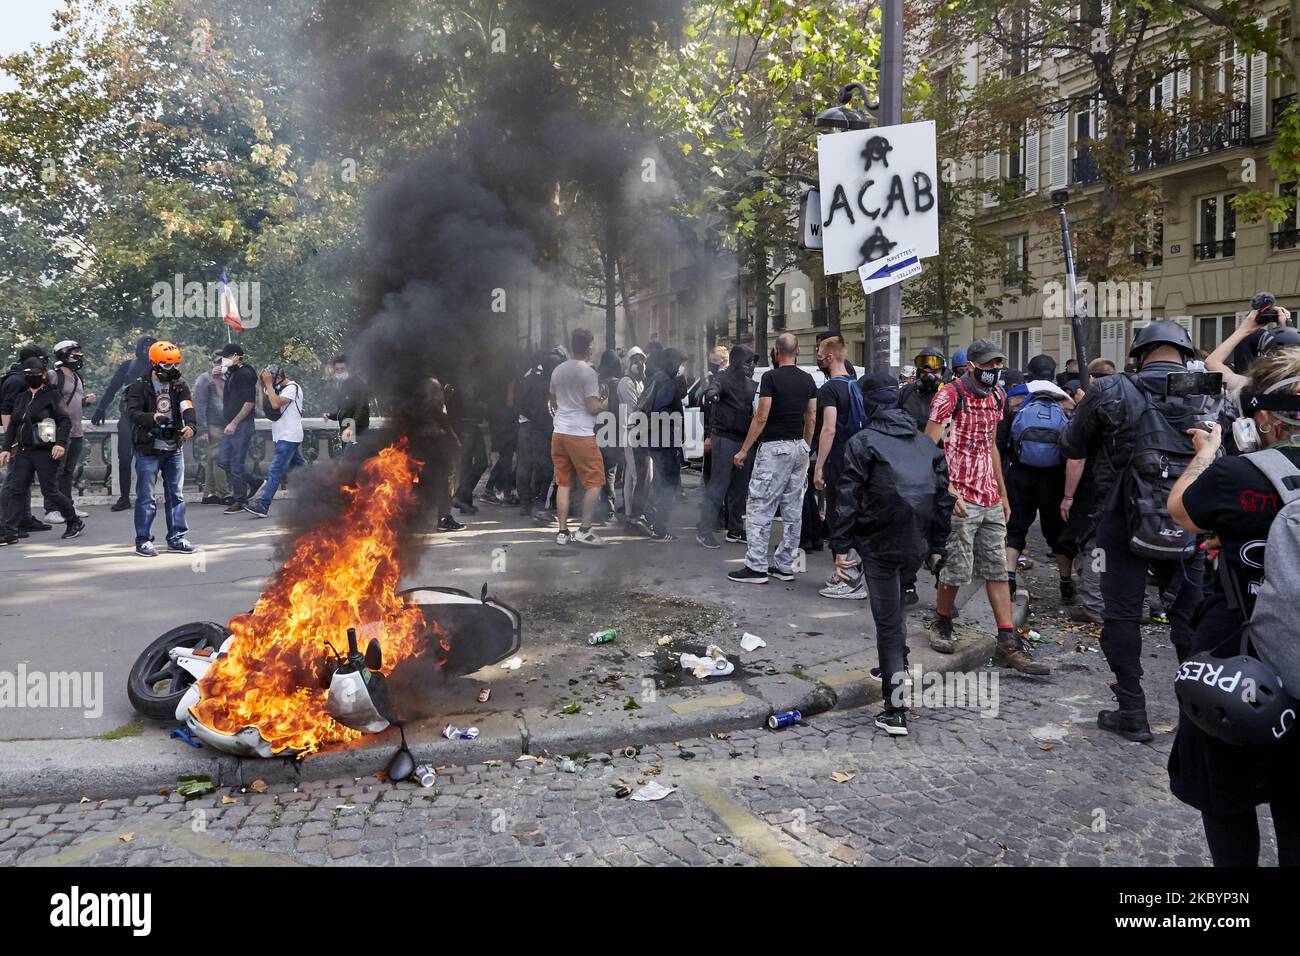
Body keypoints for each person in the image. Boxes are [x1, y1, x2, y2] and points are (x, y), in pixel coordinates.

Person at [1167, 347, 1300, 866]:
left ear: (1264, 417)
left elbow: (1181, 510)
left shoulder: (1237, 476)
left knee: (1226, 796)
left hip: (1236, 656)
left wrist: (1207, 450)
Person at [1061, 320, 1211, 742]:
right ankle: (1199, 713)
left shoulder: (1110, 389)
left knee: (1121, 615)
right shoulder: (1207, 389)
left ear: (1139, 354)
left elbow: (1071, 446)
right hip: (1190, 519)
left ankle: (1133, 711)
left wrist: (1085, 407)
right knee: (1189, 616)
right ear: (1185, 353)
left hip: (1121, 520)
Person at [830, 373, 954, 735]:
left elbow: (847, 498)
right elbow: (943, 497)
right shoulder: (924, 443)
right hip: (914, 542)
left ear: (866, 403)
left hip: (880, 542)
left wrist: (840, 547)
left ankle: (895, 708)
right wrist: (936, 547)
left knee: (887, 622)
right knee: (895, 609)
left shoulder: (862, 441)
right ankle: (894, 663)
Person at [925, 338, 1049, 675]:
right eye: (989, 365)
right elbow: (927, 449)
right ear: (970, 367)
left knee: (997, 567)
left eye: (998, 365)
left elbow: (991, 445)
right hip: (960, 496)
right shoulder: (949, 395)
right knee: (957, 567)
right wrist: (949, 491)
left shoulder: (997, 396)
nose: (995, 370)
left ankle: (1007, 641)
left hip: (989, 495)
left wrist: (1003, 494)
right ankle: (942, 621)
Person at [728, 332, 817, 584]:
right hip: (798, 447)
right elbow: (811, 417)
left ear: (776, 352)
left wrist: (744, 449)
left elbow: (762, 416)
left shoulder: (770, 378)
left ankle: (756, 567)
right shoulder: (808, 380)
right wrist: (805, 446)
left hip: (773, 449)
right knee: (792, 510)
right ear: (797, 351)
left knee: (760, 506)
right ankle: (784, 566)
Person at [1003, 363, 1074, 604]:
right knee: (1056, 532)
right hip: (1053, 477)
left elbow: (1007, 439)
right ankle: (1065, 583)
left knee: (1016, 527)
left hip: (1021, 474)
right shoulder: (1063, 403)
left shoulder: (1021, 399)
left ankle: (1009, 579)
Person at [0, 357, 84, 543]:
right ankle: (10, 531)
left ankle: (74, 521)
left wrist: (60, 443)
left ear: (44, 375)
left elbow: (65, 420)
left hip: (46, 450)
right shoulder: (22, 397)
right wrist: (6, 447)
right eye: (27, 375)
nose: (30, 378)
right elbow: (14, 424)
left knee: (50, 491)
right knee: (16, 489)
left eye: (34, 375)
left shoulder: (53, 395)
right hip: (23, 450)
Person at [123, 341, 196, 556]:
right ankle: (143, 540)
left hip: (174, 447)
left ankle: (177, 538)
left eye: (174, 365)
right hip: (148, 448)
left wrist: (191, 426)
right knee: (146, 497)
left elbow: (187, 407)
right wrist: (152, 417)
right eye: (166, 366)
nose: (171, 370)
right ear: (154, 364)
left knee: (177, 495)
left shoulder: (179, 385)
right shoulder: (138, 386)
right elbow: (132, 414)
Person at [815, 337, 869, 598]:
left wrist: (819, 467)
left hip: (838, 459)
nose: (818, 358)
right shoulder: (855, 385)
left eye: (819, 354)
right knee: (853, 514)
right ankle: (850, 572)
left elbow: (828, 429)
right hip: (858, 458)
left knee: (839, 516)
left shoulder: (829, 390)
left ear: (830, 357)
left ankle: (849, 581)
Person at [548, 329, 607, 546]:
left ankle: (562, 532)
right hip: (581, 434)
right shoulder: (588, 373)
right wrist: (604, 405)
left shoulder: (558, 370)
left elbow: (552, 399)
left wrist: (565, 410)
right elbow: (592, 407)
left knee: (563, 482)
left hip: (560, 432)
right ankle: (584, 529)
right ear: (589, 346)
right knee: (595, 482)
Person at [696, 345, 756, 548]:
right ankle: (704, 531)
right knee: (718, 486)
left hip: (743, 440)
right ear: (739, 361)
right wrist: (712, 395)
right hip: (724, 437)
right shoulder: (723, 378)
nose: (752, 366)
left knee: (740, 487)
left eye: (753, 361)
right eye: (748, 361)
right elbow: (711, 390)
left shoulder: (750, 384)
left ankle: (735, 529)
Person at [90, 335, 155, 512]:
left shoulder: (159, 367)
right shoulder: (129, 366)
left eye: (151, 346)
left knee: (146, 460)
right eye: (144, 346)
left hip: (149, 419)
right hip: (127, 418)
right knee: (124, 458)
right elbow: (112, 388)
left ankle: (145, 496)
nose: (147, 349)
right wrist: (101, 408)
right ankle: (124, 498)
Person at [2, 345, 55, 534]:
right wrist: (12, 442)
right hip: (18, 440)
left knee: (23, 481)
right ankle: (5, 523)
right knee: (13, 483)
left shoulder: (25, 379)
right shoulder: (16, 381)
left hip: (29, 440)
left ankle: (23, 518)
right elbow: (7, 411)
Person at [639, 347, 689, 542]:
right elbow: (661, 411)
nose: (681, 368)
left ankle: (652, 519)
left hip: (655, 439)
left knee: (660, 482)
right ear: (672, 363)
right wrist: (677, 423)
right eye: (679, 363)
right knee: (669, 483)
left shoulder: (656, 377)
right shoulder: (667, 382)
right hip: (664, 441)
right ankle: (660, 527)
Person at [41, 341, 93, 524]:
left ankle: (67, 506)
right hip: (58, 433)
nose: (79, 357)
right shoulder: (54, 376)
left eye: (80, 353)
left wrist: (85, 402)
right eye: (74, 354)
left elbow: (72, 403)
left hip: (76, 431)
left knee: (68, 472)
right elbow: (45, 401)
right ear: (63, 355)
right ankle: (51, 509)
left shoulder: (78, 377)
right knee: (55, 471)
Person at [243, 365, 306, 518]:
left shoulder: (293, 387)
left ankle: (263, 505)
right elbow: (263, 406)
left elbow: (276, 404)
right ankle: (319, 496)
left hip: (289, 436)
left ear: (278, 377)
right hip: (281, 435)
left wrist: (269, 385)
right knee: (302, 471)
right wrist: (262, 385)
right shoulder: (273, 388)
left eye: (271, 379)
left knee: (275, 470)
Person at [1205, 301, 1295, 393]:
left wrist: (1244, 330)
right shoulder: (1295, 386)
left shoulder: (1254, 386)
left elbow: (1211, 363)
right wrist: (1288, 328)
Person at [516, 348, 562, 522]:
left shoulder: (530, 379)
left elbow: (519, 402)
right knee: (545, 467)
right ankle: (539, 504)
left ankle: (525, 503)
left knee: (526, 466)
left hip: (527, 425)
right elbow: (545, 410)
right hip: (538, 429)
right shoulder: (546, 384)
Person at [216, 343, 261, 514]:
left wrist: (234, 422)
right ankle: (254, 481)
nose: (223, 360)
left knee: (236, 462)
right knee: (223, 460)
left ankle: (240, 500)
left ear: (236, 357)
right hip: (232, 424)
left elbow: (249, 403)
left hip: (242, 424)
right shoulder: (232, 372)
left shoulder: (245, 374)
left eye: (226, 357)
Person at [617, 347, 651, 532]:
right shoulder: (626, 382)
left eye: (642, 360)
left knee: (632, 476)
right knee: (638, 475)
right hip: (631, 432)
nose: (640, 364)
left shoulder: (639, 381)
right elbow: (636, 407)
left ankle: (630, 513)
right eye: (636, 360)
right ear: (629, 362)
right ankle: (634, 517)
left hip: (638, 431)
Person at [191, 352, 230, 504]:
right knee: (218, 459)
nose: (220, 365)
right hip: (213, 425)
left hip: (226, 424)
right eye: (217, 362)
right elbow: (199, 406)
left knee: (212, 460)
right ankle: (224, 494)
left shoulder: (227, 378)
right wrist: (203, 430)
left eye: (223, 362)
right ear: (213, 363)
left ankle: (209, 494)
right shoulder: (205, 379)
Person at [322, 354, 371, 451]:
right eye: (337, 369)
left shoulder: (357, 385)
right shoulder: (343, 386)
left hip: (357, 433)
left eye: (342, 369)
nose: (339, 372)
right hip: (347, 432)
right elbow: (344, 412)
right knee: (349, 463)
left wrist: (351, 427)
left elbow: (361, 408)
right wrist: (330, 415)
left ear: (349, 368)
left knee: (353, 462)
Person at [898, 348, 946, 432]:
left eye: (934, 373)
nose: (929, 377)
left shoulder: (952, 396)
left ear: (942, 373)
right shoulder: (906, 393)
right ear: (918, 374)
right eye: (924, 373)